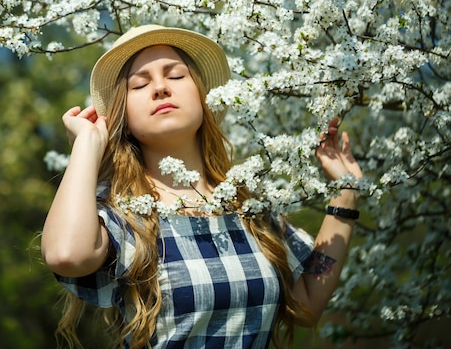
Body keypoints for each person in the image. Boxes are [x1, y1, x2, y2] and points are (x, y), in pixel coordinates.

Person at [41, 24, 362, 349]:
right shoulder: (124, 215)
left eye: (176, 76)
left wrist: (346, 194)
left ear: (203, 95)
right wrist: (88, 144)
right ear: (122, 117)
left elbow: (305, 303)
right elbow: (67, 254)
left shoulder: (249, 207)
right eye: (140, 85)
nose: (161, 88)